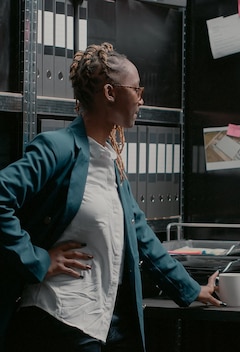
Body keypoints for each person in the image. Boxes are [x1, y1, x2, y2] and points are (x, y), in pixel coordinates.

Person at [0, 42, 223, 352]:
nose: (142, 99)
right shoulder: (57, 148)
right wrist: (38, 260)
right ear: (110, 93)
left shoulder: (110, 164)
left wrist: (191, 290)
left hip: (107, 323)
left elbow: (142, 238)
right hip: (60, 318)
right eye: (137, 90)